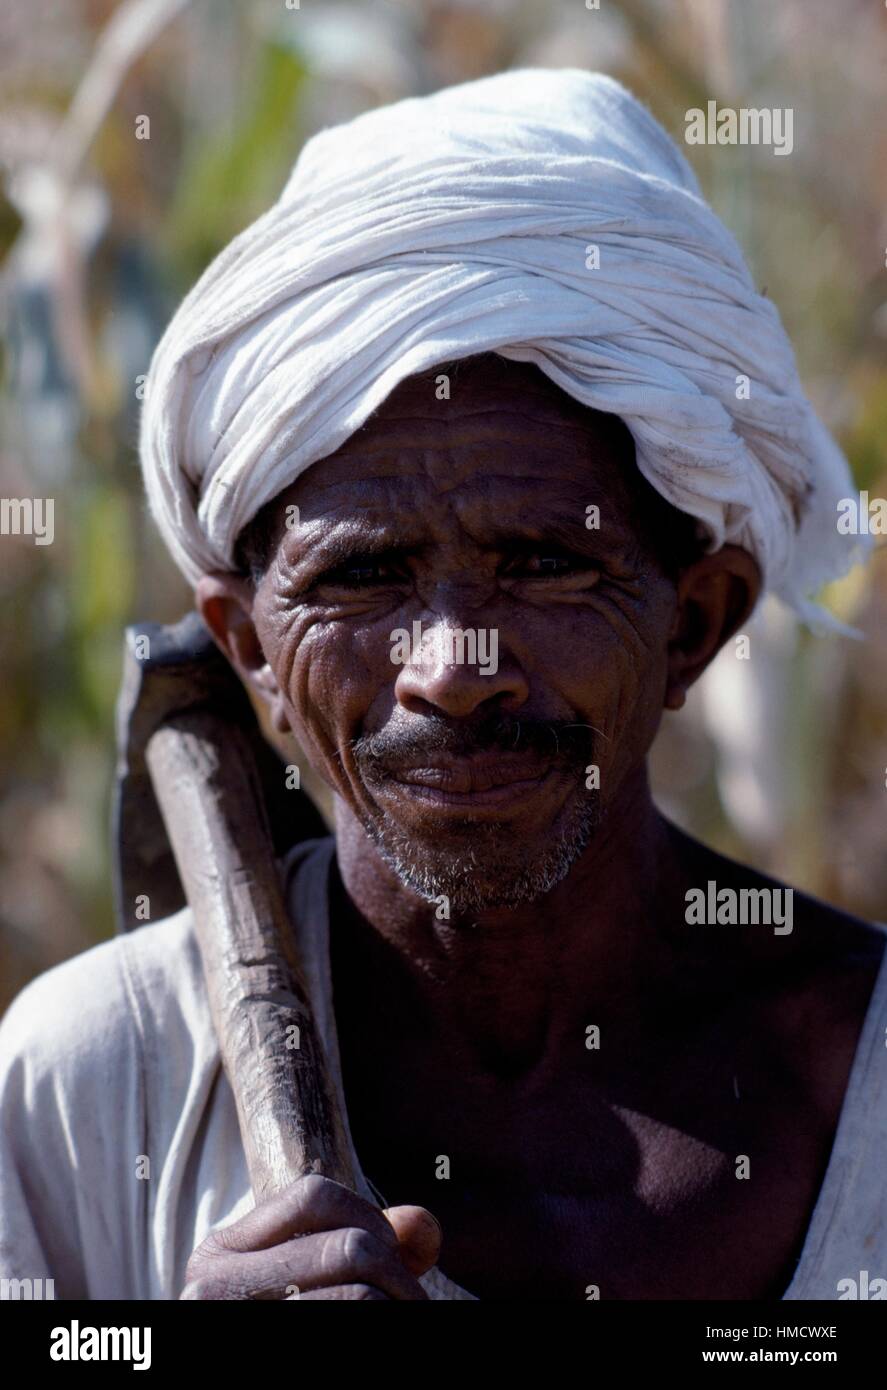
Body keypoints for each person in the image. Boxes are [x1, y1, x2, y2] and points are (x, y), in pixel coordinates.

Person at [1, 69, 883, 1303]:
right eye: (364, 576)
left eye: (542, 564)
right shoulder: (90, 1082)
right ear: (246, 643)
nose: (452, 670)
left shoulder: (866, 1093)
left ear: (695, 620)